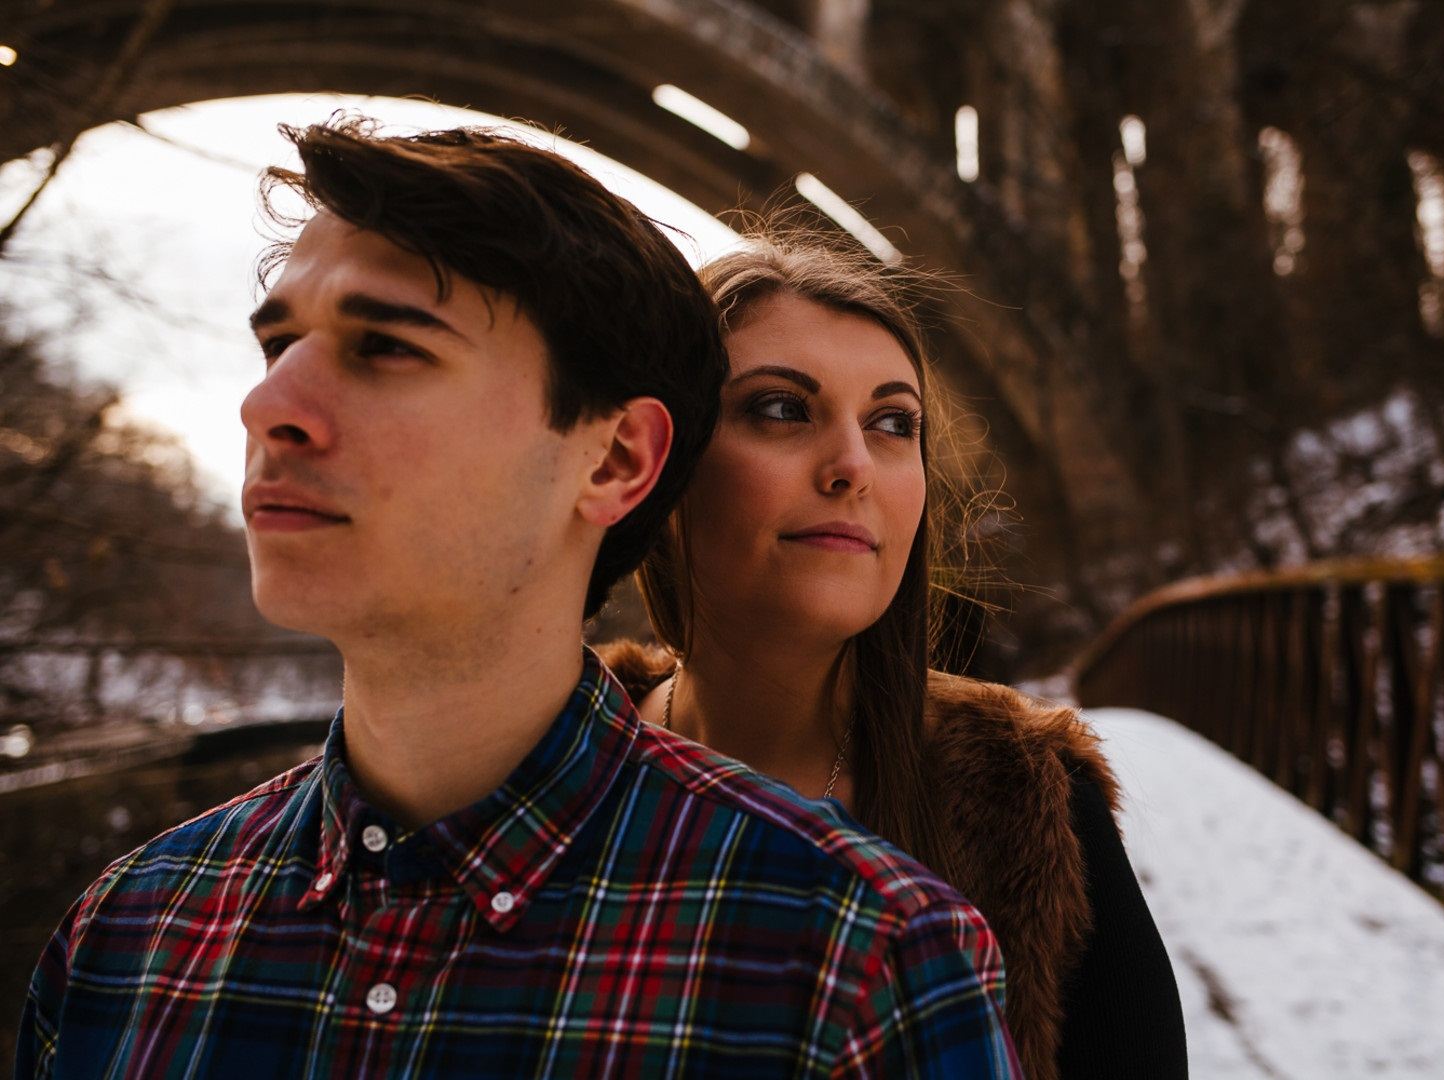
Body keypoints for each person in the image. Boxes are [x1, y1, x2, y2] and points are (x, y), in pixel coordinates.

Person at [16, 120, 1022, 1077]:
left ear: (617, 458)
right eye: (281, 345)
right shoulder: (126, 939)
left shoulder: (860, 964)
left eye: (386, 348)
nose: (267, 404)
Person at [602, 230, 1188, 1080]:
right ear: (660, 458)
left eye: (892, 423)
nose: (852, 466)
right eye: (781, 409)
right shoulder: (551, 765)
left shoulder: (1025, 800)